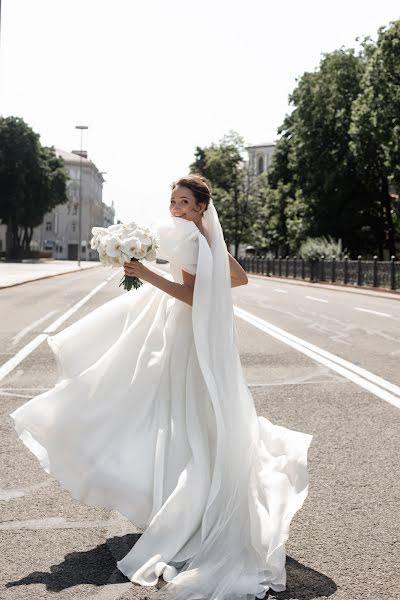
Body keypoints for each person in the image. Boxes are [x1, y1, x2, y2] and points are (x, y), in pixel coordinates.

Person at [10, 174, 313, 600]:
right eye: (174, 201)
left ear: (202, 207)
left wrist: (147, 274)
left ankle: (186, 506)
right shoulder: (199, 236)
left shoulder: (196, 239)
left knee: (174, 412)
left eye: (185, 202)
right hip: (181, 330)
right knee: (174, 412)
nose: (177, 209)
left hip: (188, 336)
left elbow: (199, 293)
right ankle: (180, 498)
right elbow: (236, 279)